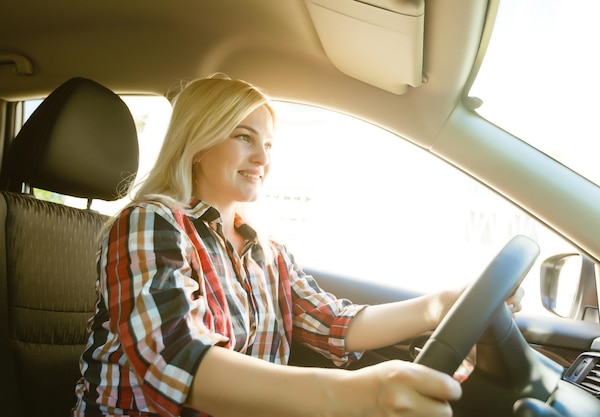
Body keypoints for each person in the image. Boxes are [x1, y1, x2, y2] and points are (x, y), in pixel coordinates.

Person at [72, 74, 522, 417]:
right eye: (243, 137)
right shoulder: (150, 222)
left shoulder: (268, 250)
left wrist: (440, 306)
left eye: (268, 144)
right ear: (198, 142)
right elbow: (174, 359)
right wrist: (360, 393)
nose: (264, 159)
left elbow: (335, 324)